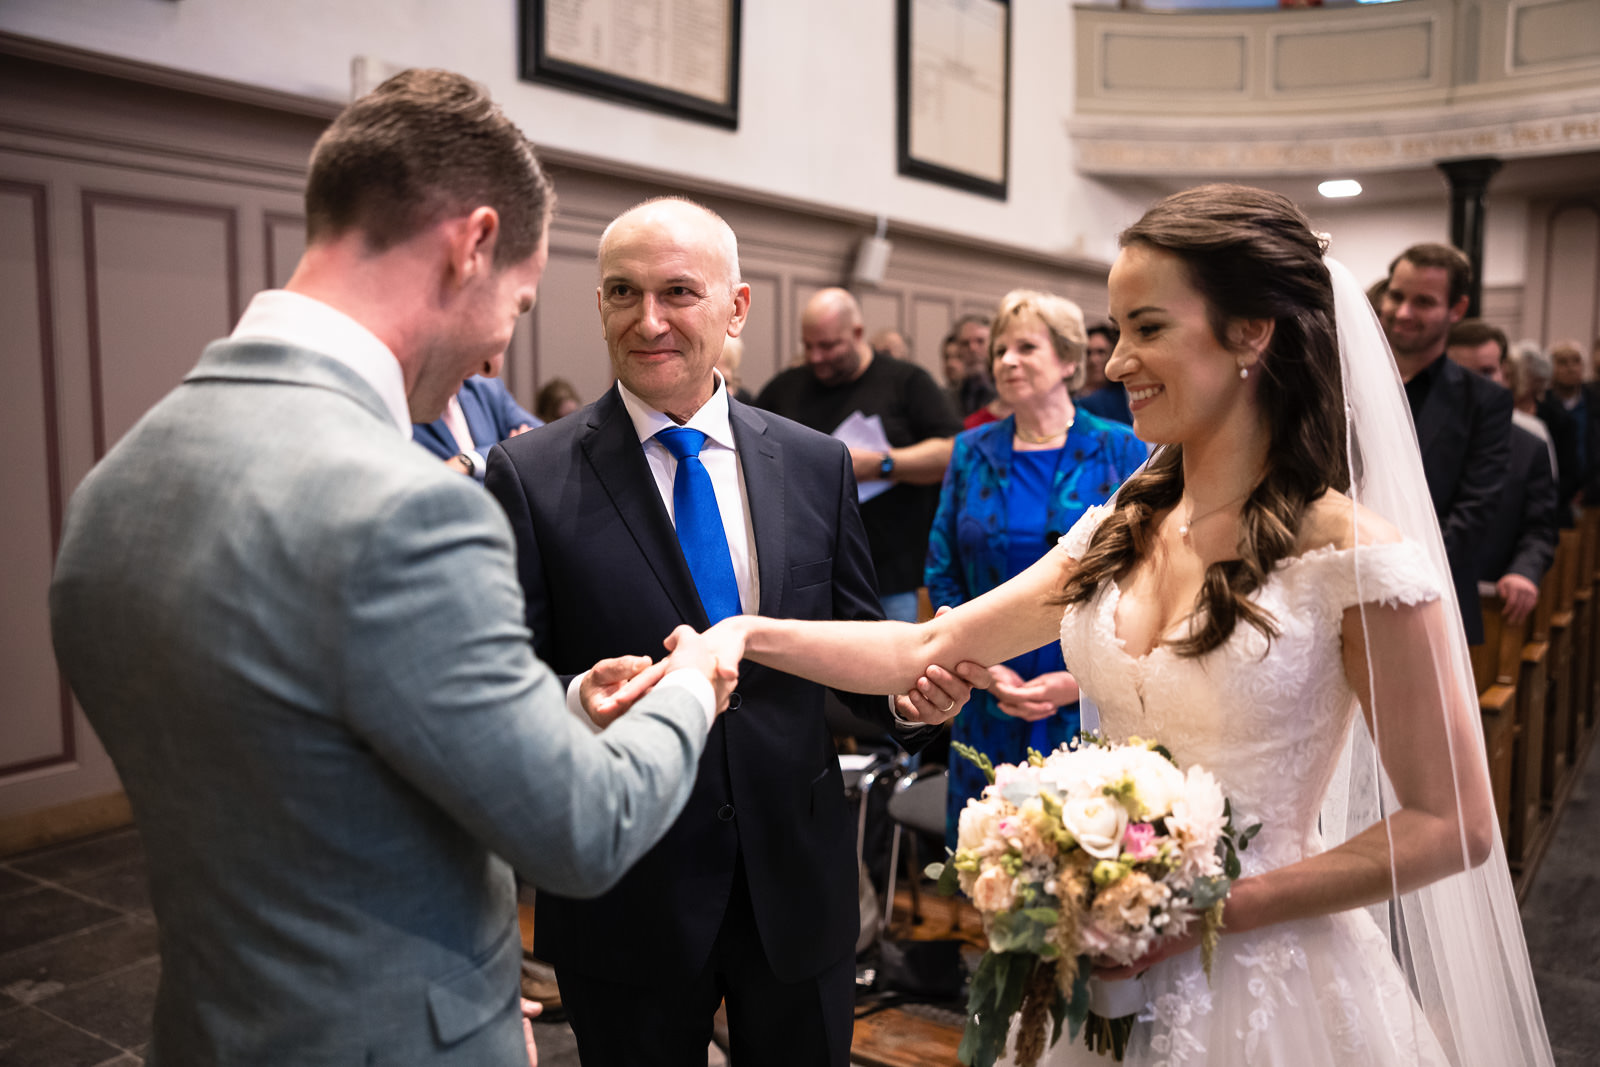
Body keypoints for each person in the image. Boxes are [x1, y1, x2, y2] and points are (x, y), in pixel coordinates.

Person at [707, 185, 1553, 1066]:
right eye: (1117, 332)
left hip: (1268, 983)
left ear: (1251, 332)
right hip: (1100, 972)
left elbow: (1451, 823)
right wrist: (742, 635)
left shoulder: (1357, 560)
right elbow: (927, 645)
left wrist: (1207, 911)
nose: (1116, 364)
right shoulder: (1121, 524)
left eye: (1148, 329)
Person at [47, 70, 740, 1066]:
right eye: (521, 299)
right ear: (472, 246)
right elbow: (582, 830)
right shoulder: (408, 507)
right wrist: (690, 684)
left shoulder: (120, 479)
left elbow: (309, 734)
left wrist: (556, 708)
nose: (504, 343)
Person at [483, 198, 974, 1067]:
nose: (649, 319)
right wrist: (574, 698)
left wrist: (905, 698)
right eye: (622, 292)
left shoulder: (813, 463)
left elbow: (855, 648)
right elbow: (502, 680)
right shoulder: (530, 472)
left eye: (678, 291)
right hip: (629, 882)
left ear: (736, 307)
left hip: (795, 871)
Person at [926, 289, 1146, 850]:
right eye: (1000, 349)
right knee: (990, 869)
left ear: (1069, 362)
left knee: (1084, 876)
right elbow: (944, 568)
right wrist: (981, 666)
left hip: (1088, 700)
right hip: (986, 697)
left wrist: (1079, 683)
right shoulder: (972, 450)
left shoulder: (1122, 450)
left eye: (1025, 346)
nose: (1006, 361)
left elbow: (1143, 578)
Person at [756, 287, 964, 621]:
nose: (816, 357)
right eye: (808, 345)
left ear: (857, 333)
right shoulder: (786, 388)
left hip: (890, 573)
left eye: (828, 346)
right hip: (807, 573)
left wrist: (882, 465)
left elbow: (952, 451)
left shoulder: (906, 381)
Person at [1379, 242, 1511, 644]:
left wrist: (1385, 577)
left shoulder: (1483, 401)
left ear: (1457, 309)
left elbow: (1473, 513)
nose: (1402, 312)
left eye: (1423, 302)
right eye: (1396, 296)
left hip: (1433, 601)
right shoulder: (1342, 383)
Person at [1448, 321, 1558, 623]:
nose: (1477, 385)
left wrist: (1524, 572)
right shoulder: (1415, 438)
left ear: (1505, 375)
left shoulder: (1530, 447)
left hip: (1492, 603)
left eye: (1486, 372)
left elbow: (1540, 530)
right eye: (1462, 373)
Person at [413, 351, 541, 479]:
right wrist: (507, 454)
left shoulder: (485, 386)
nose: (488, 371)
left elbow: (541, 442)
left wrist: (469, 461)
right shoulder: (404, 407)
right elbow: (424, 483)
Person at [1075, 323, 1132, 425]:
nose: (1093, 360)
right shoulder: (1077, 400)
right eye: (1088, 353)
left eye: (1101, 352)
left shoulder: (1128, 395)